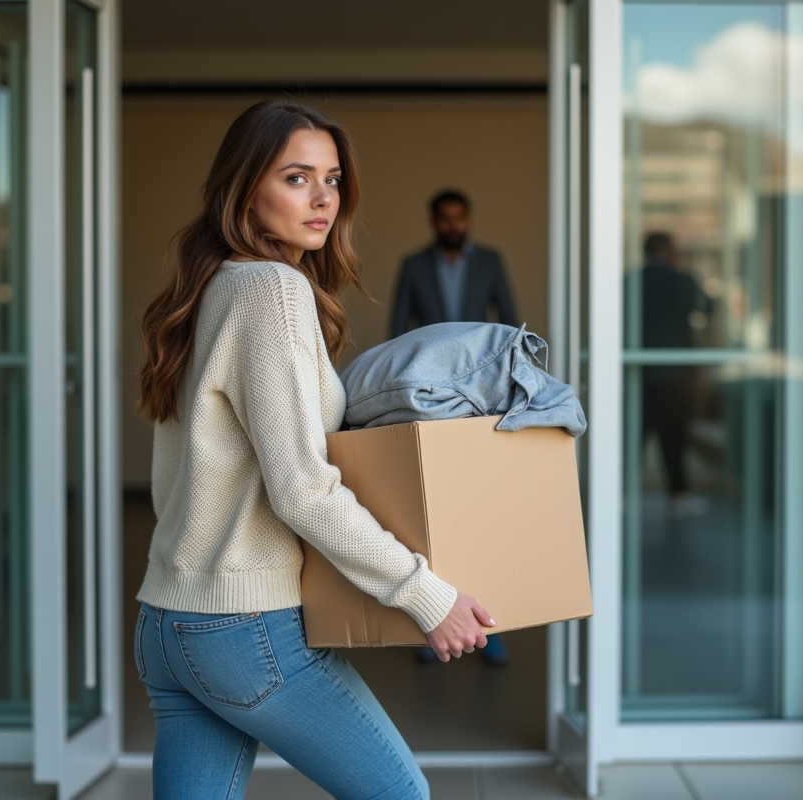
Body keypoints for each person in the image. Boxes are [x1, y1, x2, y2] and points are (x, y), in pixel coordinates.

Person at [134, 100, 495, 800]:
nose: (323, 196)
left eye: (332, 178)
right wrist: (427, 596)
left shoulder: (205, 288)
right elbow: (303, 488)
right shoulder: (271, 290)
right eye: (296, 177)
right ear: (243, 188)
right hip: (244, 629)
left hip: (168, 622)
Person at [639, 231, 712, 519]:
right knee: (675, 438)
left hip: (639, 373)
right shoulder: (681, 279)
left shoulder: (632, 280)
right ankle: (679, 495)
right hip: (677, 374)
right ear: (669, 251)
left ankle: (618, 493)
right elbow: (707, 307)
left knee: (634, 436)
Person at [389, 190, 518, 339]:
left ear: (468, 220)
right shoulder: (414, 265)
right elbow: (399, 323)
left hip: (478, 356)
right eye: (446, 219)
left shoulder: (489, 261)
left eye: (459, 218)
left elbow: (508, 317)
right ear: (433, 221)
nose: (453, 225)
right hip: (430, 355)